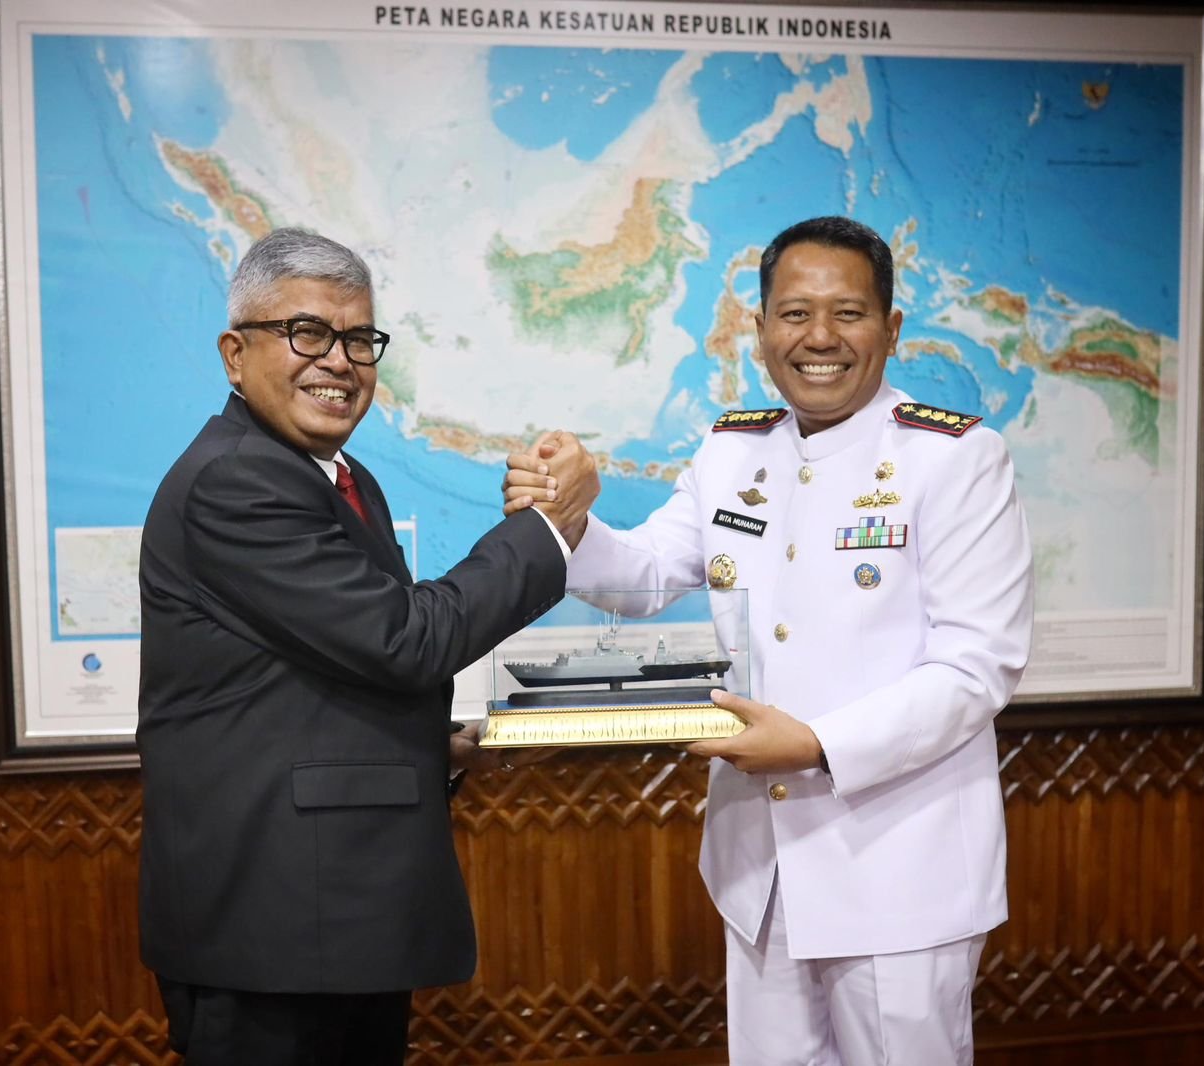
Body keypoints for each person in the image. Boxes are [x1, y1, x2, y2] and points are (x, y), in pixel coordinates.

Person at [503, 216, 1034, 1065]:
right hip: (761, 869)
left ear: (892, 328)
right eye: (794, 313)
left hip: (899, 867)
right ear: (760, 329)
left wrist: (818, 744)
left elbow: (977, 667)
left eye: (848, 313)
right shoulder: (732, 449)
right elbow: (644, 575)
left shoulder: (955, 458)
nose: (819, 337)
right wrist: (564, 519)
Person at [137, 227, 596, 1065]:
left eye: (358, 340)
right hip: (272, 931)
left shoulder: (339, 479)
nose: (338, 362)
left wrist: (429, 745)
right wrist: (547, 529)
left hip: (333, 918)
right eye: (306, 333)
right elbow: (405, 639)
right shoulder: (237, 480)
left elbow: (333, 667)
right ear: (235, 355)